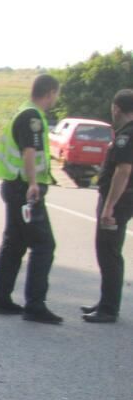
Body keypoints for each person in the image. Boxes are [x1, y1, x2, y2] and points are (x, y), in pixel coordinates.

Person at [0, 73, 63, 324]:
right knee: (44, 245)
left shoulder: (25, 111)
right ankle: (35, 305)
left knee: (14, 244)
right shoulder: (32, 116)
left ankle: (1, 300)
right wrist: (33, 184)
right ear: (51, 92)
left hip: (15, 186)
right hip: (24, 189)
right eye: (56, 94)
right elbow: (29, 152)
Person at [80, 88, 133, 323]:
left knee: (108, 252)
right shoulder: (125, 132)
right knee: (107, 251)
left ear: (116, 108)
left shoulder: (127, 135)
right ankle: (106, 302)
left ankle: (109, 308)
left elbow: (123, 171)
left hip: (119, 201)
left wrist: (109, 206)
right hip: (122, 199)